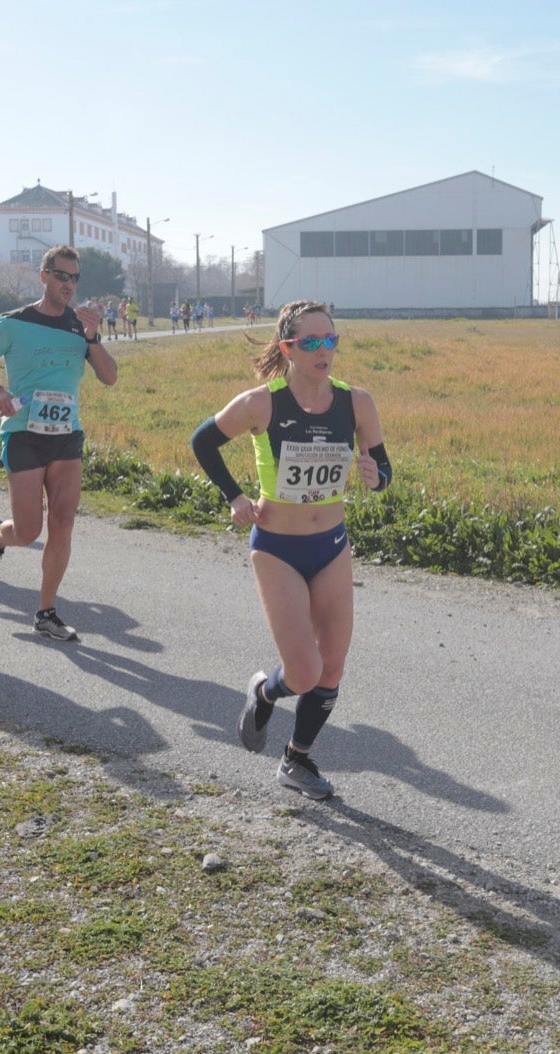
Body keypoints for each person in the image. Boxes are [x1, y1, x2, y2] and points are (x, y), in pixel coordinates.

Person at [189, 300, 390, 800]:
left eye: (331, 340)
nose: (324, 350)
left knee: (332, 666)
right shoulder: (261, 403)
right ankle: (265, 691)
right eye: (311, 342)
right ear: (287, 349)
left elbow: (383, 469)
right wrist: (234, 497)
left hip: (332, 546)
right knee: (303, 673)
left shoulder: (357, 402)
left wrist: (376, 477)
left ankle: (296, 759)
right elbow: (202, 442)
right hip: (277, 548)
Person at [0, 245, 118, 641]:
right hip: (23, 433)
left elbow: (109, 376)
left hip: (67, 434)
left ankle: (46, 612)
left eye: (74, 278)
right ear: (44, 276)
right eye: (61, 276)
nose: (68, 284)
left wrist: (93, 338)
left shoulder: (79, 326)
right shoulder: (14, 322)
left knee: (63, 522)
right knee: (29, 530)